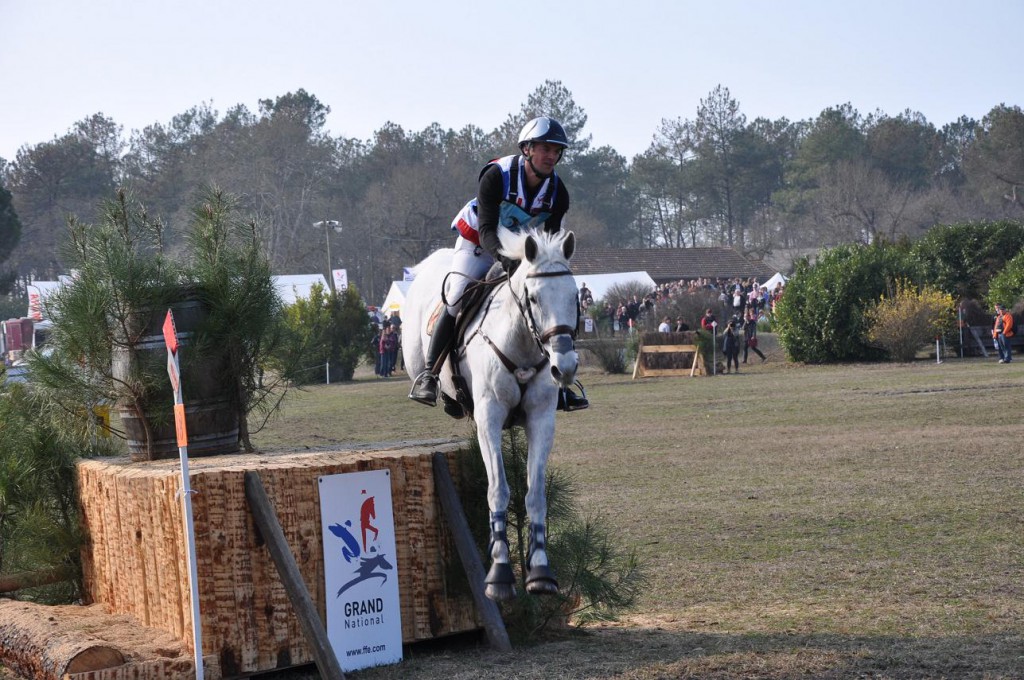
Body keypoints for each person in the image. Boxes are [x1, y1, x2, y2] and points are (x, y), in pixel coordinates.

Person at [409, 116, 588, 411]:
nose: (552, 156)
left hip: (521, 252)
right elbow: (487, 230)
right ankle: (431, 374)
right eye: (546, 148)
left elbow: (551, 243)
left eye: (557, 151)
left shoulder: (558, 192)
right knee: (456, 298)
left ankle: (561, 382)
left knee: (552, 300)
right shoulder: (497, 175)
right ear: (527, 149)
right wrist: (505, 261)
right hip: (478, 244)